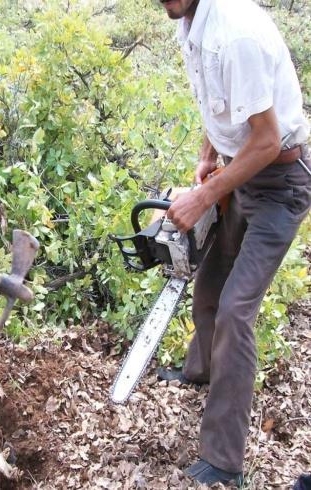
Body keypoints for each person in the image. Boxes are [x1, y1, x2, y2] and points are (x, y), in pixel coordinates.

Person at [156, 0, 310, 485]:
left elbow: (267, 141)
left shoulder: (235, 34)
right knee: (210, 283)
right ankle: (200, 369)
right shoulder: (190, 22)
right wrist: (209, 156)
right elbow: (216, 103)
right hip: (243, 171)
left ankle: (224, 461)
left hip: (282, 184)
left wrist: (204, 196)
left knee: (235, 309)